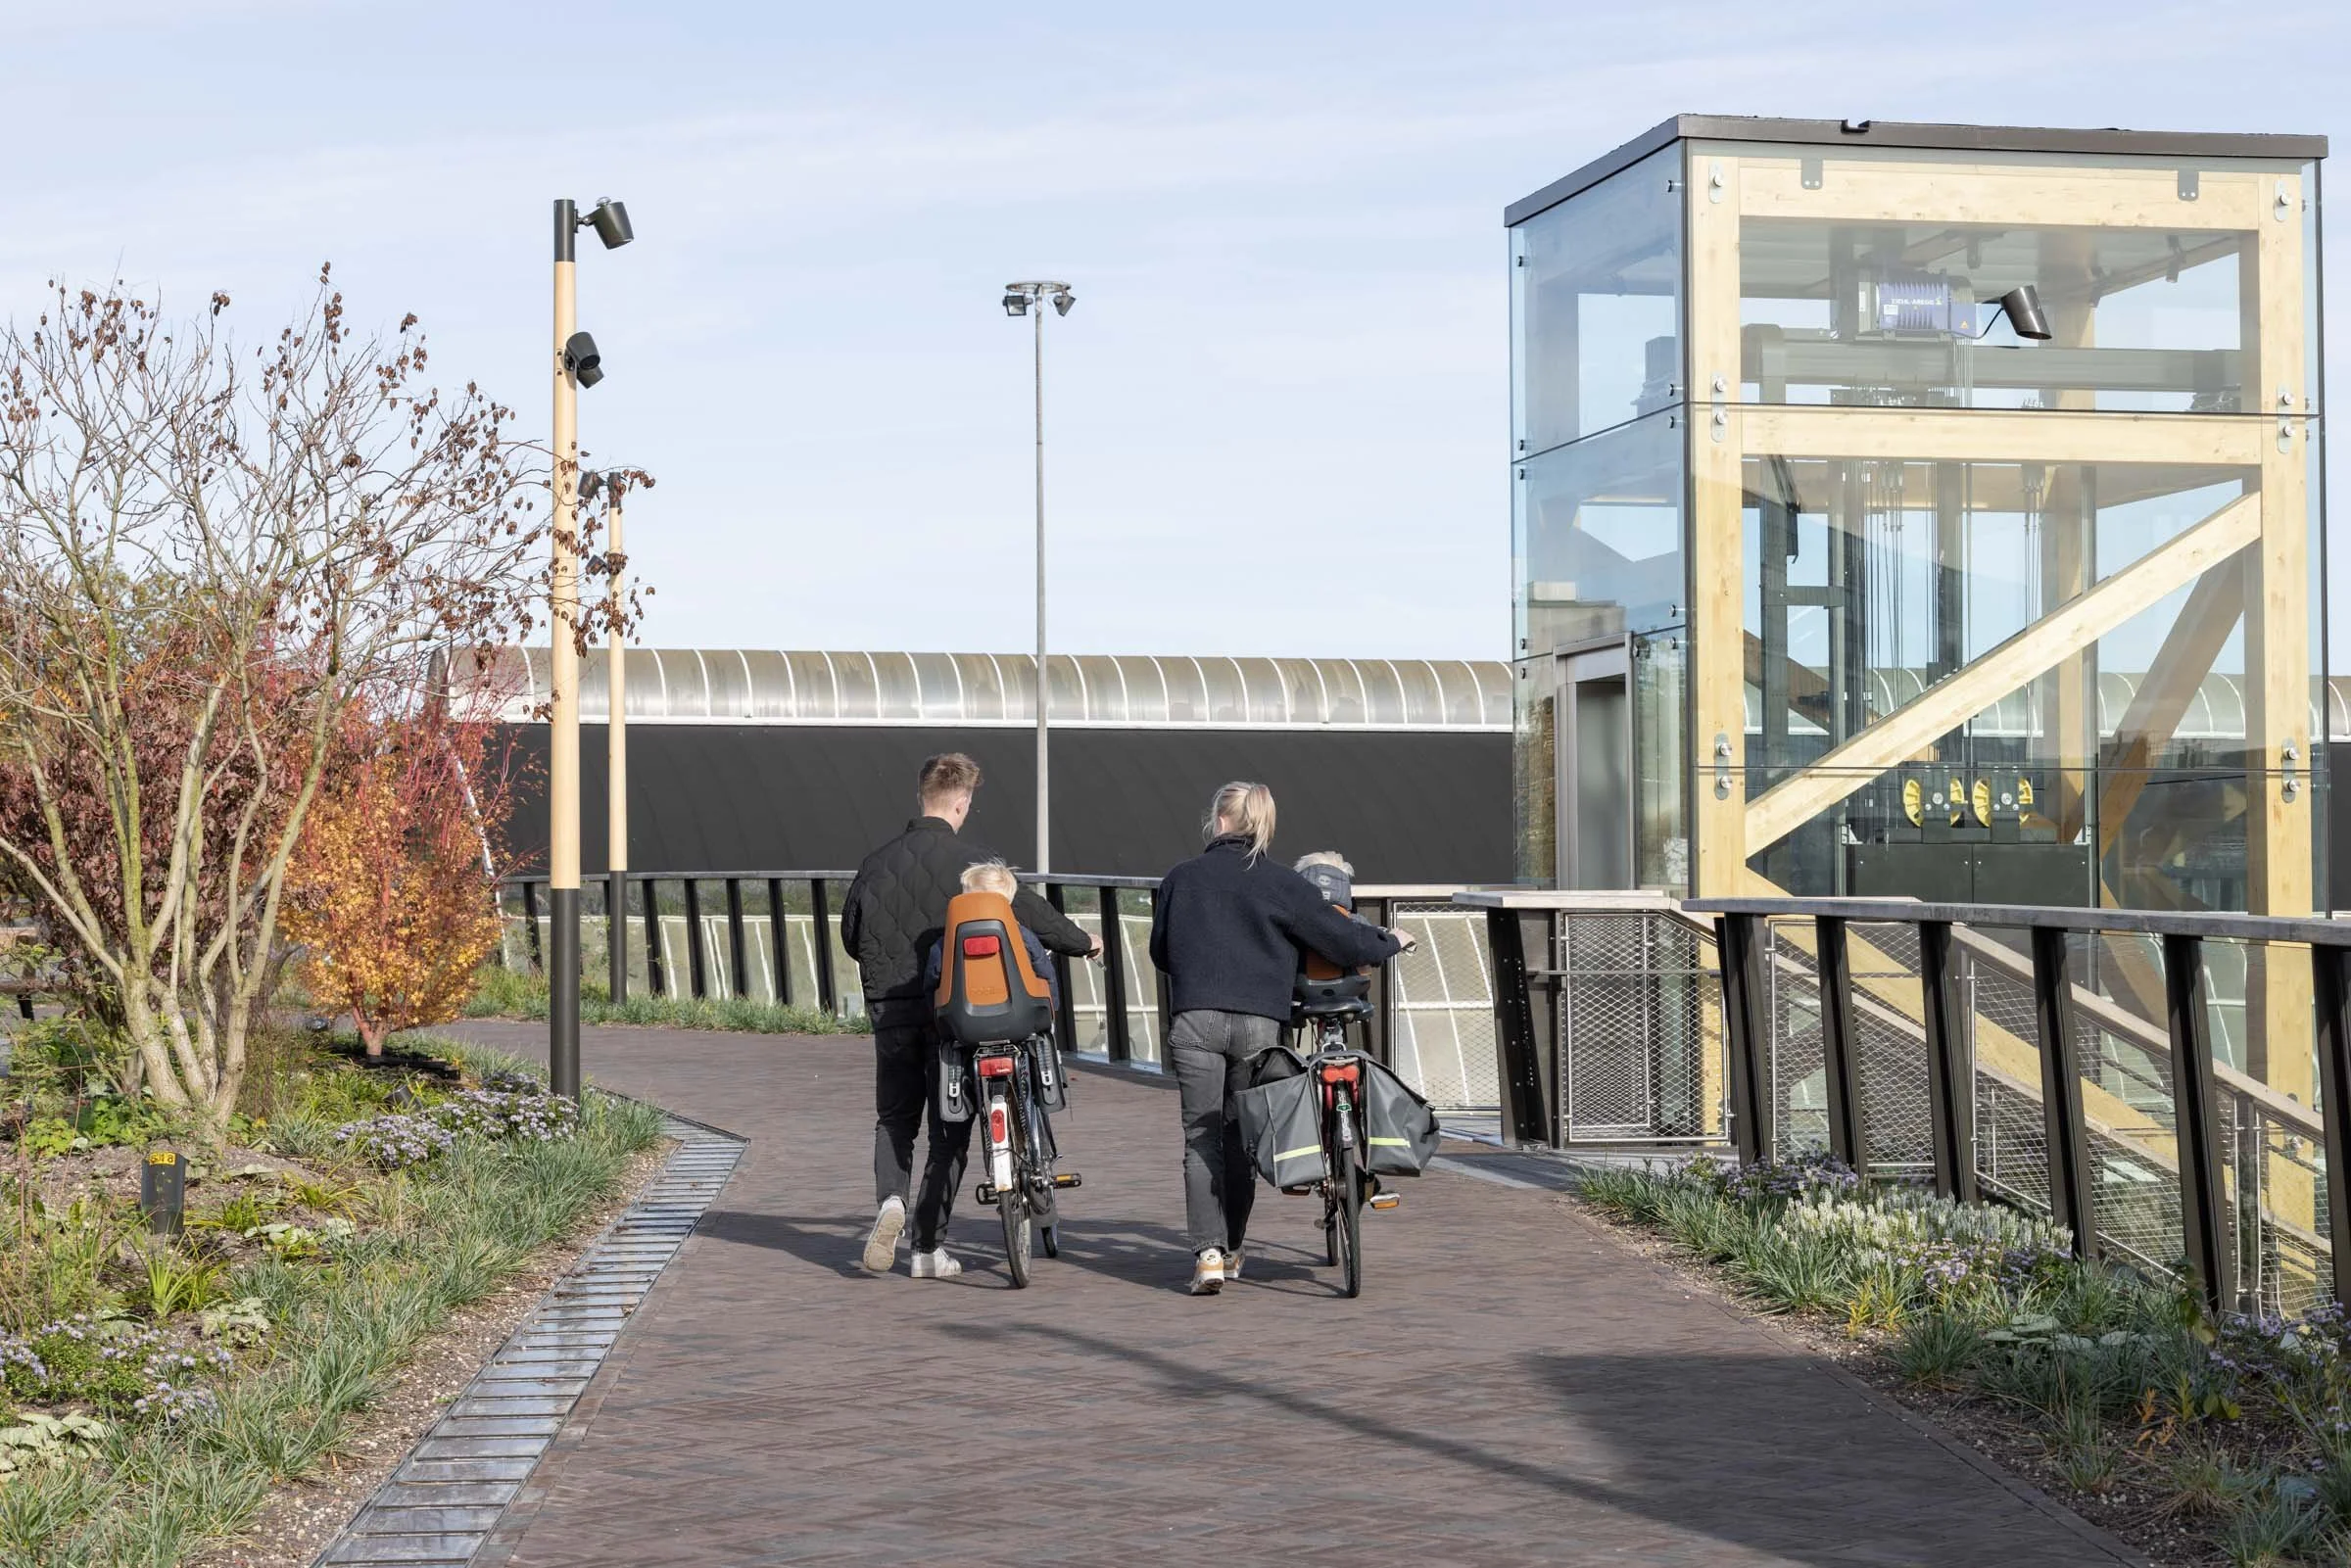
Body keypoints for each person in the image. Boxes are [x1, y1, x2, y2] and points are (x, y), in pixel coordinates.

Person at [1148, 782, 1415, 1297]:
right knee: (1240, 1139)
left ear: (1218, 822)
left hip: (1195, 1021)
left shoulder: (1181, 878)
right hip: (1258, 1025)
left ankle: (1205, 1255)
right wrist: (1390, 942)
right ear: (1262, 825)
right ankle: (1231, 1248)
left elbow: (1162, 952)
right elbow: (1340, 937)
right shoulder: (1280, 884)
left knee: (1201, 1139)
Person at [840, 754, 1097, 1278]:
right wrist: (1082, 943)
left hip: (891, 1012)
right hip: (952, 1016)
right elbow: (1029, 917)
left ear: (922, 796)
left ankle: (890, 1200)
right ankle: (928, 1249)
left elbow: (851, 936)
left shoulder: (876, 863)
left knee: (894, 1118)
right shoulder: (975, 862)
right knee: (948, 1130)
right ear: (962, 802)